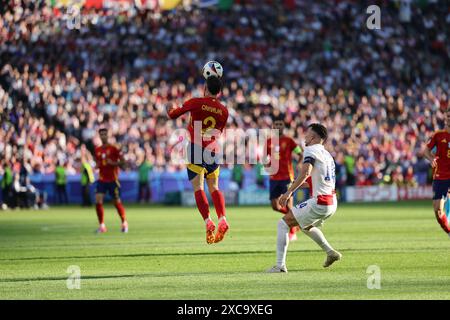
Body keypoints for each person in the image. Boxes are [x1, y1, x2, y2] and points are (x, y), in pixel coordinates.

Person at [267, 123, 341, 273]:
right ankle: (330, 252)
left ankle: (280, 266)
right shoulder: (327, 155)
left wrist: (289, 193)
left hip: (320, 201)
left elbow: (306, 172)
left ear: (313, 137)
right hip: (331, 202)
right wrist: (295, 185)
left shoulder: (311, 150)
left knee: (283, 224)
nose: (305, 136)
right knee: (305, 226)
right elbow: (315, 181)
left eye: (307, 134)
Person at [167, 75, 229, 244]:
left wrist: (169, 108)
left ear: (205, 88)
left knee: (198, 187)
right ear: (220, 92)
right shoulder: (224, 110)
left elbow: (174, 115)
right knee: (214, 187)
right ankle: (222, 218)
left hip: (195, 146)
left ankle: (208, 221)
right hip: (213, 149)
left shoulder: (196, 102)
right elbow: (219, 131)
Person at [265, 117, 303, 241]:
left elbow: (300, 153)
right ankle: (296, 221)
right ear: (273, 127)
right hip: (274, 177)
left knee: (289, 205)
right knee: (275, 206)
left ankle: (293, 231)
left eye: (280, 124)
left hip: (287, 176)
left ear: (283, 126)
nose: (278, 126)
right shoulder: (269, 141)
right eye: (276, 124)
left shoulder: (289, 140)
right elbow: (264, 157)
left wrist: (299, 163)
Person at [94, 128, 128, 233]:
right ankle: (102, 226)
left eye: (105, 134)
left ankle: (124, 223)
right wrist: (98, 166)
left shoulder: (114, 148)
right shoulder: (97, 150)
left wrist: (112, 163)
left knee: (116, 202)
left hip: (113, 180)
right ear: (99, 136)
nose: (103, 136)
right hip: (102, 180)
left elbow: (124, 163)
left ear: (108, 135)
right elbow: (99, 163)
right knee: (98, 201)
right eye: (101, 134)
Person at [424, 108, 450, 236]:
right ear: (445, 117)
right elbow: (425, 151)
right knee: (438, 211)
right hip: (441, 176)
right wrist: (431, 158)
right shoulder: (438, 135)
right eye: (448, 116)